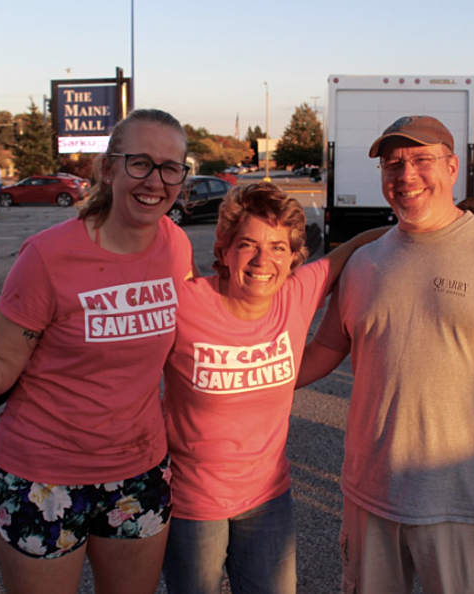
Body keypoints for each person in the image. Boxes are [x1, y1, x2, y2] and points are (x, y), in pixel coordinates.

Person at [0, 108, 196, 594]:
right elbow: (4, 363)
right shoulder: (47, 257)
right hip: (43, 478)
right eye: (140, 163)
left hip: (139, 474)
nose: (155, 180)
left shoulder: (176, 246)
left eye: (170, 167)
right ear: (109, 169)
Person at [296, 115, 474, 594]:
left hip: (468, 506)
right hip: (369, 500)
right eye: (392, 164)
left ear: (452, 168)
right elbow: (323, 349)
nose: (405, 175)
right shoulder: (366, 261)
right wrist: (247, 373)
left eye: (421, 160)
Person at [160, 182, 387, 594]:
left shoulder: (297, 293)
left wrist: (430, 231)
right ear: (225, 249)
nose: (264, 260)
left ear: (295, 257)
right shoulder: (185, 304)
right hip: (193, 505)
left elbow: (353, 247)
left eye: (279, 247)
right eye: (248, 244)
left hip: (268, 499)